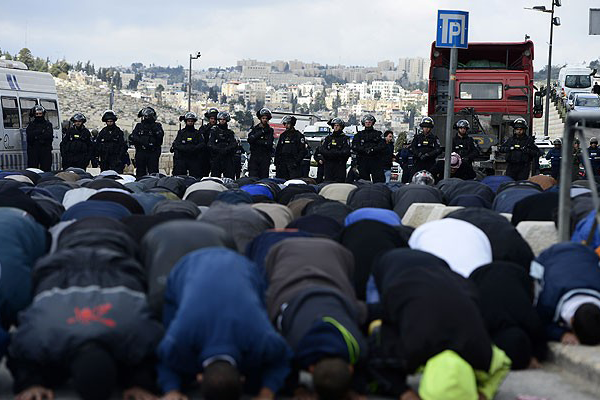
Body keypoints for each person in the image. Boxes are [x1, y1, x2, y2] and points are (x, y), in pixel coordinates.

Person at [370, 249, 511, 400]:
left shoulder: (482, 354)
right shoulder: (409, 351)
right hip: (394, 267)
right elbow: (373, 358)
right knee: (374, 329)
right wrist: (403, 392)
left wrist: (484, 393)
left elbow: (504, 364)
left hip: (446, 275)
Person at [157, 248, 292, 400]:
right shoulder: (180, 337)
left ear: (199, 378)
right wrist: (267, 391)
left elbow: (283, 357)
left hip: (234, 265)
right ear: (242, 379)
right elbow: (164, 357)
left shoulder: (260, 337)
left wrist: (171, 390)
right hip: (197, 266)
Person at [264, 238, 368, 399]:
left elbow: (362, 311)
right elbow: (279, 368)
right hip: (286, 260)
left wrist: (294, 390)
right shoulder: (292, 345)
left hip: (333, 258)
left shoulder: (357, 345)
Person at [535, 242, 600, 346]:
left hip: (586, 252)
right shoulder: (548, 302)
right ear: (572, 320)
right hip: (548, 256)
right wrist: (561, 334)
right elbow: (536, 323)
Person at [129, 107, 164, 178]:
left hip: (152, 153)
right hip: (141, 152)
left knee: (153, 173)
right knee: (140, 173)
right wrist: (142, 141)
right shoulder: (139, 126)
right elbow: (132, 137)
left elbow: (159, 137)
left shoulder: (157, 126)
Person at [351, 114, 386, 182]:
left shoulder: (378, 134)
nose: (368, 123)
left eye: (370, 122)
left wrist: (373, 150)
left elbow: (382, 146)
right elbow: (355, 146)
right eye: (366, 122)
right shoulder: (359, 135)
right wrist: (364, 150)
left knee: (378, 182)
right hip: (363, 160)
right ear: (364, 123)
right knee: (363, 182)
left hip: (375, 160)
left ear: (372, 123)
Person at [171, 112, 205, 177]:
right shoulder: (181, 133)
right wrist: (185, 148)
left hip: (194, 158)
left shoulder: (197, 133)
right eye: (188, 121)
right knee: (179, 177)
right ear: (186, 122)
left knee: (195, 177)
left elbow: (202, 144)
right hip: (182, 158)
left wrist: (193, 148)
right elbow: (176, 144)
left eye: (191, 121)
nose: (190, 122)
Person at [274, 116, 307, 180]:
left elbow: (303, 151)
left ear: (292, 124)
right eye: (284, 124)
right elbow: (278, 149)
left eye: (287, 124)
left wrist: (296, 162)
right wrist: (277, 162)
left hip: (293, 164)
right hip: (283, 164)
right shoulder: (283, 135)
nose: (286, 126)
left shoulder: (298, 136)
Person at [320, 118, 351, 182]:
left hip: (340, 164)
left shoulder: (345, 138)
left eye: (338, 125)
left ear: (341, 127)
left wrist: (336, 153)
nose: (336, 127)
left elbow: (346, 151)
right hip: (329, 165)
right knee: (327, 183)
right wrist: (329, 154)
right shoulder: (328, 138)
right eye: (335, 125)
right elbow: (322, 149)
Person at [208, 111, 237, 179]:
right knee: (215, 178)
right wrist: (218, 149)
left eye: (224, 120)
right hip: (217, 157)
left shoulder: (230, 133)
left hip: (227, 158)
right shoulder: (214, 131)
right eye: (221, 120)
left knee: (229, 178)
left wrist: (226, 149)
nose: (222, 121)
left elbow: (234, 144)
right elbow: (210, 144)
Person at [247, 108, 274, 178]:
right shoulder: (255, 129)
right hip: (255, 157)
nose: (265, 120)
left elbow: (269, 144)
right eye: (263, 118)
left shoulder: (270, 130)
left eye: (266, 118)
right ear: (260, 119)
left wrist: (257, 141)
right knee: (253, 177)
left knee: (264, 177)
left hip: (265, 157)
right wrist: (261, 133)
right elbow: (250, 140)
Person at [26, 105, 54, 171]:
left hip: (45, 150)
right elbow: (29, 136)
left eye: (40, 114)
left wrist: (37, 136)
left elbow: (48, 136)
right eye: (37, 114)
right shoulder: (31, 125)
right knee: (32, 170)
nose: (38, 115)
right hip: (33, 150)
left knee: (46, 169)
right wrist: (40, 133)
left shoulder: (48, 124)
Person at [198, 108, 219, 178]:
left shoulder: (220, 129)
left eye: (215, 118)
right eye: (211, 118)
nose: (213, 120)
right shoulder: (204, 128)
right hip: (205, 155)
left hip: (216, 155)